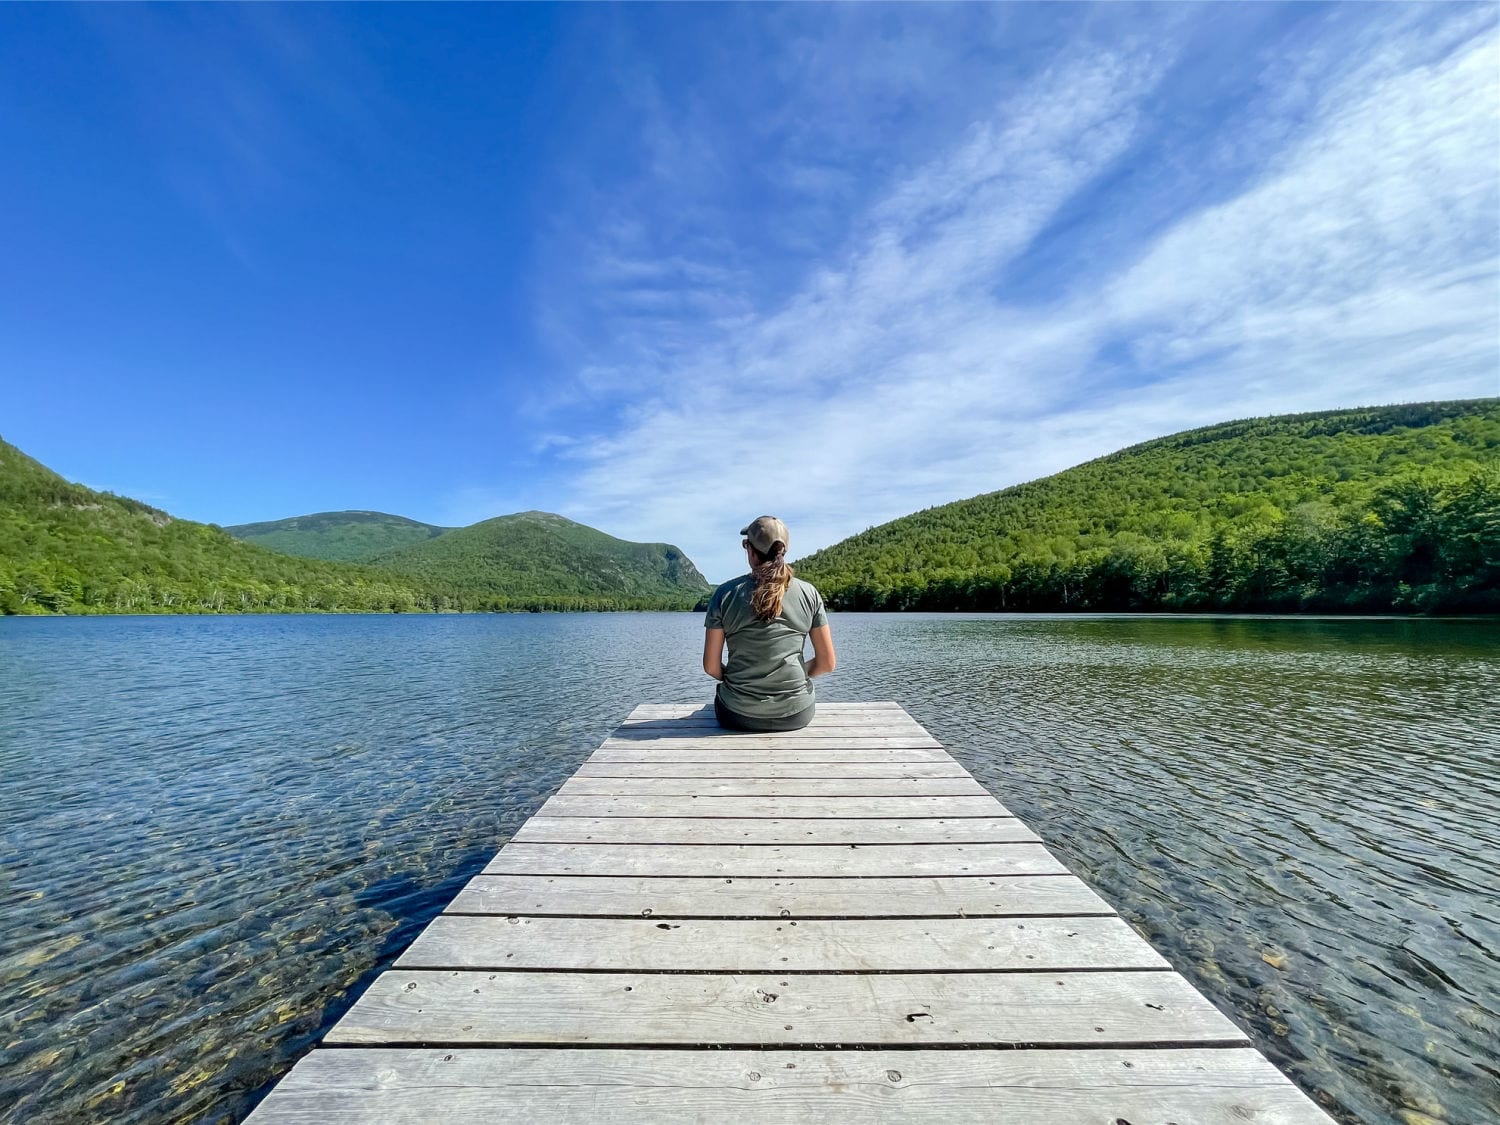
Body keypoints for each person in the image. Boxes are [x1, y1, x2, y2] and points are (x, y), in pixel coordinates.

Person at [702, 515, 836, 732]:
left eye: (746, 545)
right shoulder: (809, 593)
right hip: (796, 714)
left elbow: (711, 666)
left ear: (751, 552)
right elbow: (827, 663)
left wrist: (741, 680)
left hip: (737, 714)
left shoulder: (724, 594)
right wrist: (791, 676)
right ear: (783, 551)